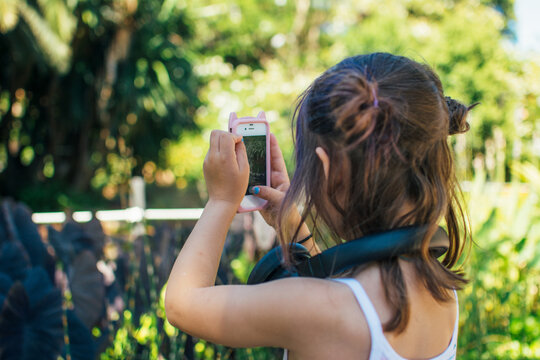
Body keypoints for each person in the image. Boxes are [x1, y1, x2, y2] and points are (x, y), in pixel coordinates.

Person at [165, 52, 474, 360]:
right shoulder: (441, 289)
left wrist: (221, 201)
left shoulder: (314, 308)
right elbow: (342, 292)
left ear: (330, 171)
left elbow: (182, 304)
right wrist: (291, 222)